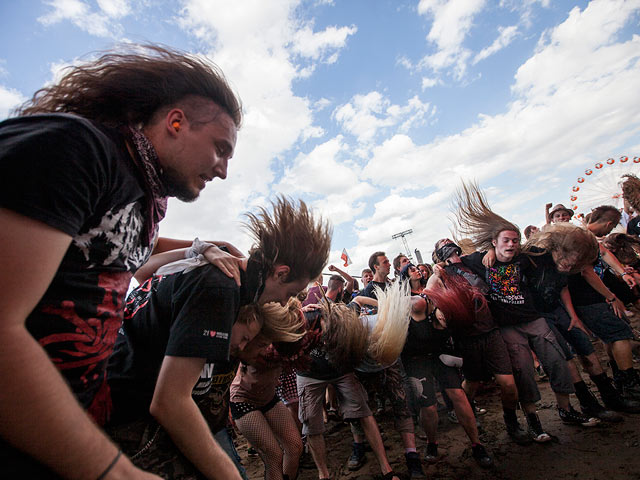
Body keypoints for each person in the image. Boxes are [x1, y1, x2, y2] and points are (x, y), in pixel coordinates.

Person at [0, 44, 242, 479]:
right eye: (220, 149)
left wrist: (198, 247)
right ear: (175, 122)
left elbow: (118, 240)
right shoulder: (76, 149)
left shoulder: (149, 197)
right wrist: (114, 470)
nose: (223, 169)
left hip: (62, 431)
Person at [105, 197, 331, 479]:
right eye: (288, 293)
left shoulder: (226, 266)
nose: (282, 301)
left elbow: (141, 264)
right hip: (126, 414)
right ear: (281, 273)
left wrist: (202, 248)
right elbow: (170, 403)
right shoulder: (221, 287)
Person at [453, 182, 597, 443]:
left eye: (514, 240)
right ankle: (534, 423)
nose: (511, 244)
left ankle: (567, 411)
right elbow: (448, 265)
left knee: (558, 363)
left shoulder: (526, 257)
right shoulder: (477, 261)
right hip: (507, 328)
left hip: (535, 320)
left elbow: (554, 248)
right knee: (524, 374)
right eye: (505, 241)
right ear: (494, 242)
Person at [429, 238, 532, 445]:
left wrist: (492, 251)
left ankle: (511, 421)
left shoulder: (473, 262)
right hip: (466, 337)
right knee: (472, 383)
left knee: (508, 384)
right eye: (443, 246)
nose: (449, 247)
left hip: (491, 332)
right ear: (438, 255)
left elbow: (493, 254)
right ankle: (471, 417)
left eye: (450, 243)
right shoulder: (440, 273)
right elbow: (431, 292)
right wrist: (437, 300)